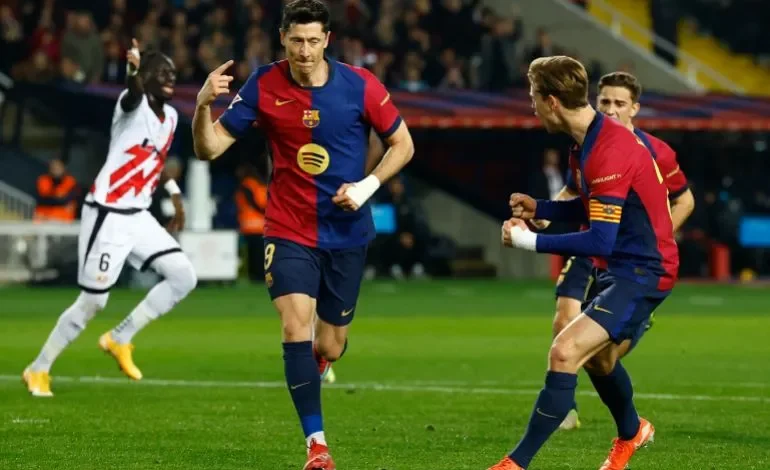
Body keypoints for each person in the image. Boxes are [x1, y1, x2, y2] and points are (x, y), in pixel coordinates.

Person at [190, 1, 414, 468]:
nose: (305, 51)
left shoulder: (361, 85)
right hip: (288, 226)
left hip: (347, 231)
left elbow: (403, 144)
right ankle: (317, 445)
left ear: (327, 40)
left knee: (329, 344)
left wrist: (367, 187)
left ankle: (320, 363)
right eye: (296, 41)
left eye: (313, 41)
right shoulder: (263, 84)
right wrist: (202, 105)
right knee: (295, 325)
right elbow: (209, 148)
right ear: (282, 39)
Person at [489, 56, 678, 470]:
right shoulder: (586, 143)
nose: (532, 106)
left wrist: (528, 241)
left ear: (552, 102)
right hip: (618, 266)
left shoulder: (609, 149)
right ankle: (633, 432)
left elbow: (599, 237)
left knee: (564, 351)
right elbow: (591, 209)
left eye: (533, 97)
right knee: (599, 359)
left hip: (645, 270)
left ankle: (515, 464)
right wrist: (540, 207)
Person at [23, 39, 197, 397]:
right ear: (145, 77)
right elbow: (133, 92)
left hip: (138, 215)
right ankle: (38, 369)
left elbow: (155, 162)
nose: (169, 77)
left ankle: (120, 337)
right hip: (108, 214)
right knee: (93, 302)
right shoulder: (131, 105)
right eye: (160, 72)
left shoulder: (171, 118)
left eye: (172, 73)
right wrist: (133, 69)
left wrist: (176, 196)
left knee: (183, 276)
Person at [536, 71, 695, 431]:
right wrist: (544, 213)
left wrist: (655, 240)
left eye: (619, 103)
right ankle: (565, 408)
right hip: (590, 243)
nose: (610, 109)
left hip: (628, 259)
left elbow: (685, 200)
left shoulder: (655, 152)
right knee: (563, 320)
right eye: (604, 101)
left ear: (634, 108)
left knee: (604, 352)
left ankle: (627, 420)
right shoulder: (586, 143)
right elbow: (575, 191)